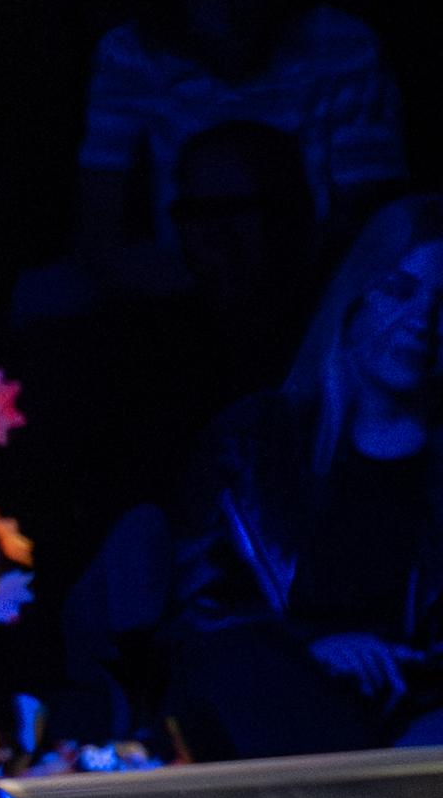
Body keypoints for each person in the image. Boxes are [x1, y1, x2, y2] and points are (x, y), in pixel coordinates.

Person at [156, 195, 443, 758]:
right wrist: (315, 650)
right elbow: (200, 615)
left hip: (418, 714)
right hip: (278, 705)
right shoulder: (253, 441)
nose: (421, 323)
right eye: (400, 291)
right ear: (357, 295)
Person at [77, 0, 405, 264]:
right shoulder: (130, 54)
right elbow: (96, 229)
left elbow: (367, 222)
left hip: (321, 284)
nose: (226, 14)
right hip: (183, 288)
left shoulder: (342, 46)